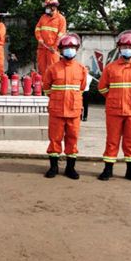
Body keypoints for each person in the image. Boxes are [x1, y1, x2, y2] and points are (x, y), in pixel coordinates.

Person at [97, 30, 131, 183]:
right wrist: (114, 98)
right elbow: (102, 88)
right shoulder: (110, 68)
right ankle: (108, 170)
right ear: (119, 48)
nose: (127, 48)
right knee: (112, 140)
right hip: (114, 110)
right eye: (124, 46)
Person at [42, 33, 87, 179]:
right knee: (54, 138)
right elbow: (47, 88)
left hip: (74, 111)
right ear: (61, 50)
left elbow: (81, 88)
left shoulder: (81, 69)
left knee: (72, 138)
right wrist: (57, 98)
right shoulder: (52, 69)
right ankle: (53, 167)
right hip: (57, 110)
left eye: (72, 47)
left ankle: (70, 168)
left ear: (76, 49)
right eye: (66, 47)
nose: (69, 50)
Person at [34, 0, 66, 75]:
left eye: (48, 6)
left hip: (52, 50)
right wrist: (39, 38)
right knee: (42, 69)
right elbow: (37, 29)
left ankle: (52, 87)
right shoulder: (43, 17)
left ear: (54, 7)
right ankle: (43, 86)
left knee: (53, 70)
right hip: (42, 48)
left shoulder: (61, 19)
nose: (46, 8)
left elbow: (61, 34)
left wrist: (54, 46)